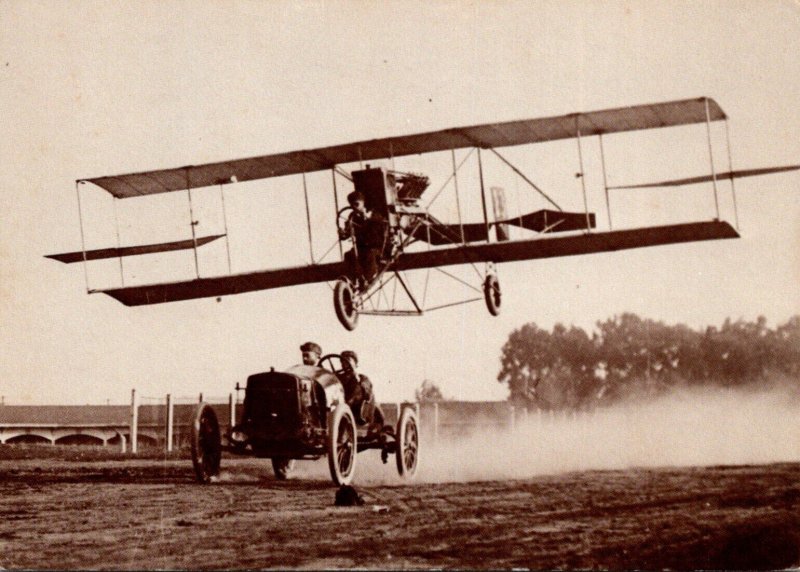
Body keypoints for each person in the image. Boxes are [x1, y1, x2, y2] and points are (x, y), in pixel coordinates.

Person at [340, 191, 387, 288]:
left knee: (369, 255)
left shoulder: (374, 214)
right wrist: (343, 234)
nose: (354, 207)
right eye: (352, 205)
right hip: (361, 248)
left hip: (376, 247)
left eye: (356, 204)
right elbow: (347, 233)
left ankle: (368, 278)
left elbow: (382, 225)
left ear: (363, 203)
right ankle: (351, 281)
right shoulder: (352, 217)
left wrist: (368, 219)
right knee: (349, 255)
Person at [340, 350, 384, 430]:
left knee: (360, 385)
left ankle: (344, 409)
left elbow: (367, 394)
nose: (344, 363)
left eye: (348, 360)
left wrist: (357, 379)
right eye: (342, 361)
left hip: (358, 411)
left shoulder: (362, 378)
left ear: (355, 363)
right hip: (339, 406)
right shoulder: (338, 378)